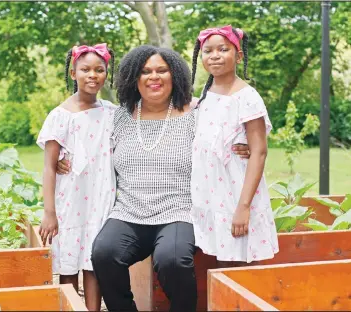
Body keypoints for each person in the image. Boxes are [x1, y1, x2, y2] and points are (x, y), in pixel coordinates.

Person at [55, 45, 251, 311]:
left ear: (175, 76)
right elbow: (83, 135)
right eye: (145, 71)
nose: (153, 77)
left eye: (162, 70)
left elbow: (235, 131)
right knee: (104, 253)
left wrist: (244, 147)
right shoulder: (119, 116)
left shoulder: (196, 114)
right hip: (129, 212)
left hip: (179, 212)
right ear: (133, 78)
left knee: (172, 259)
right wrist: (59, 160)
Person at [36, 43, 116, 311]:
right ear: (73, 73)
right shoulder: (60, 116)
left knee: (94, 261)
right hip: (70, 201)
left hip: (101, 198)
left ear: (107, 73)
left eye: (99, 69)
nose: (92, 75)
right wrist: (50, 212)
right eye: (85, 69)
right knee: (69, 262)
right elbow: (49, 167)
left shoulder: (111, 112)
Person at [189, 25, 279, 263]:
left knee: (237, 256)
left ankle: (237, 301)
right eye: (208, 51)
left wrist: (244, 207)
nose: (215, 55)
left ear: (238, 56)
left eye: (223, 49)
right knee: (221, 256)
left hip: (236, 190)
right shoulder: (208, 93)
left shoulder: (247, 97)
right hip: (210, 191)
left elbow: (259, 152)